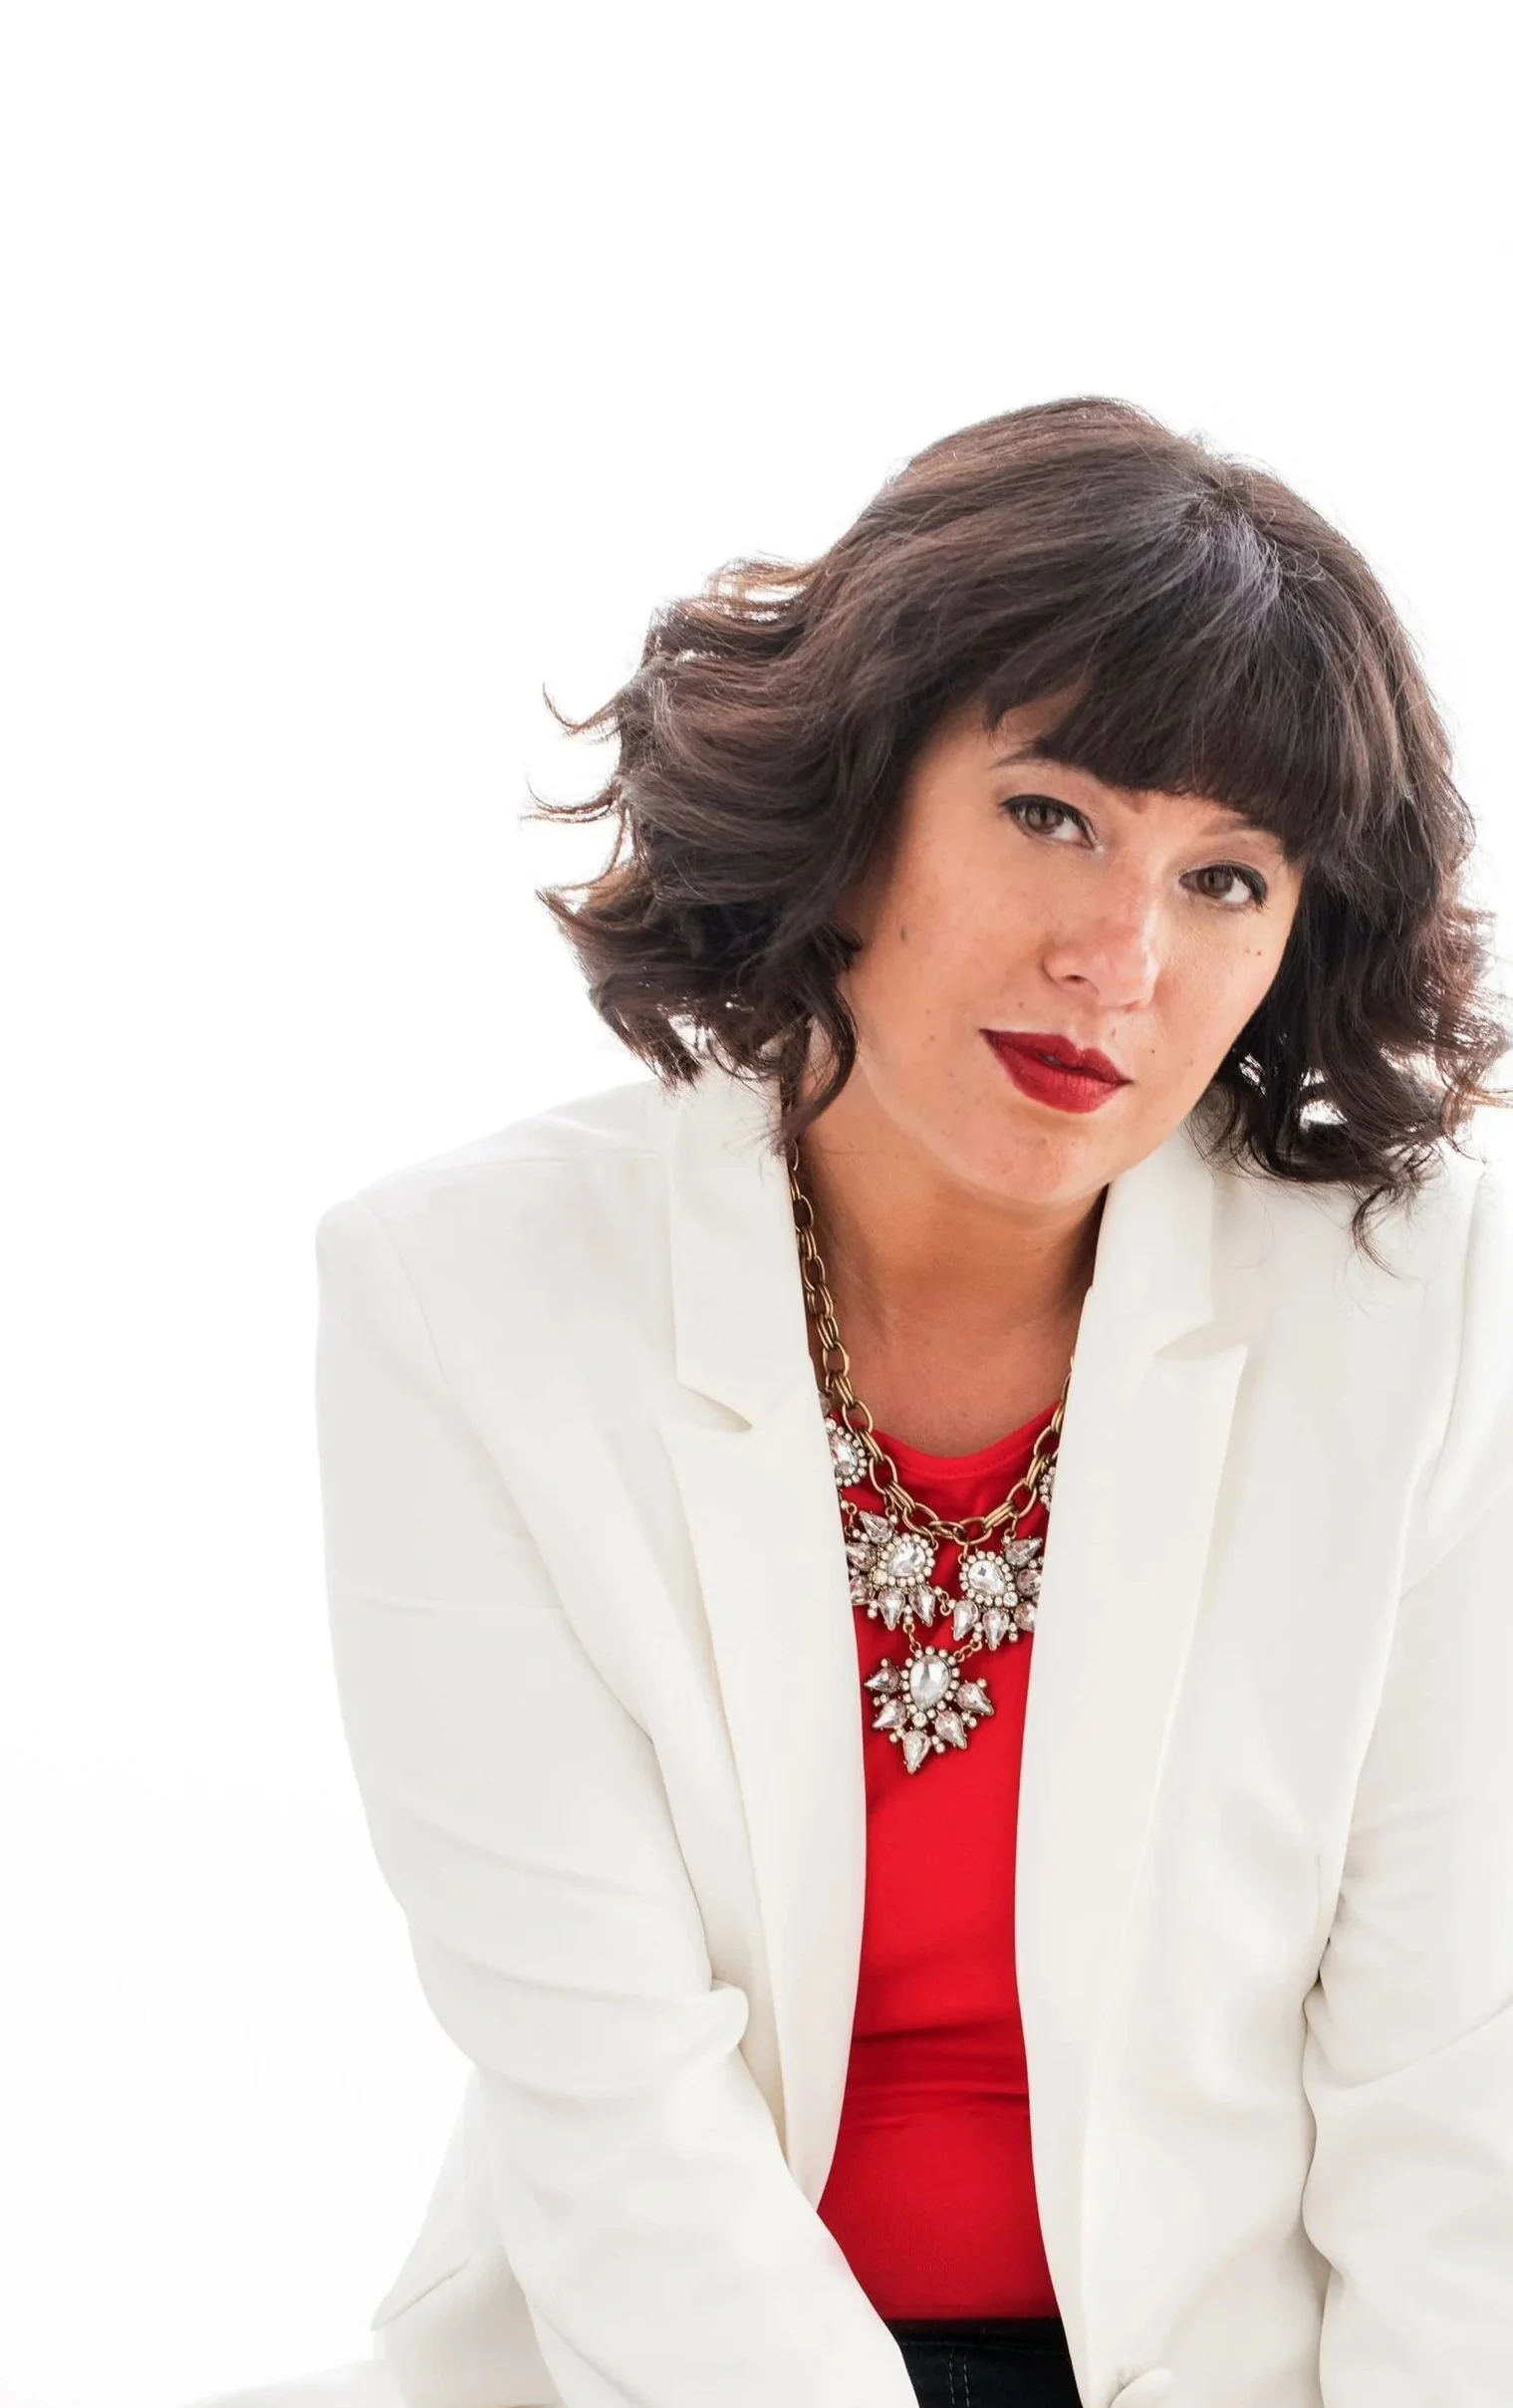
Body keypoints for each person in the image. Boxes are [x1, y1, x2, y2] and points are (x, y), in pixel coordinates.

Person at [295, 400, 1513, 2408]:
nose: (1121, 957)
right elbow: (614, 2118)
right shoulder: (462, 1300)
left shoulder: (1428, 1310)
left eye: (1227, 877)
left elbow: (1454, 2104)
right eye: (1054, 815)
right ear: (859, 801)